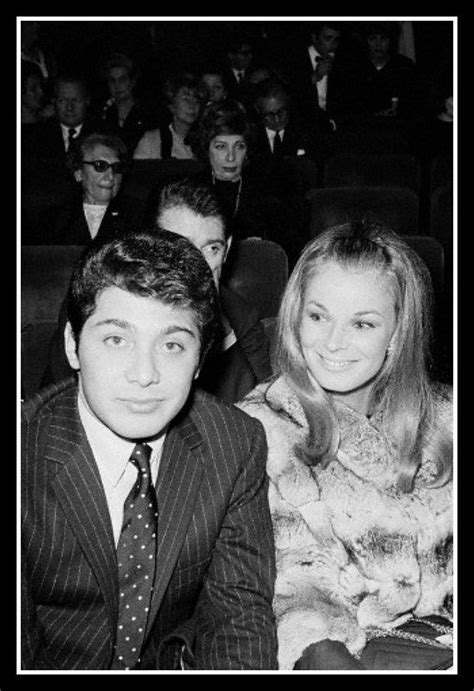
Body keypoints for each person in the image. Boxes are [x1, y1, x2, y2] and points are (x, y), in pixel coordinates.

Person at [22, 229, 278, 670]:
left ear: (200, 361)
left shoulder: (235, 444)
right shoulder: (26, 451)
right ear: (72, 344)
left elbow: (238, 620)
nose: (145, 374)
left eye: (172, 345)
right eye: (116, 340)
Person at [238, 221, 453, 670]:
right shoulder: (260, 432)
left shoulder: (446, 418)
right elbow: (295, 599)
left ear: (397, 333)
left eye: (362, 323)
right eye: (318, 316)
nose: (333, 343)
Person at [192, 98, 303, 265]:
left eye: (239, 146)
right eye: (221, 147)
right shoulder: (191, 193)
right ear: (206, 149)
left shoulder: (269, 190)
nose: (231, 157)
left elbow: (289, 251)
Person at [36, 132, 143, 244]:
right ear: (78, 173)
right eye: (100, 166)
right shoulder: (54, 219)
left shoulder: (138, 215)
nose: (111, 176)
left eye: (117, 167)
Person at [133, 73, 204, 160]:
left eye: (196, 100)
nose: (192, 105)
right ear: (171, 105)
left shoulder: (205, 141)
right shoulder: (151, 141)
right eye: (186, 99)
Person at [100, 52, 153, 154]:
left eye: (122, 80)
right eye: (112, 81)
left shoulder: (147, 114)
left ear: (132, 82)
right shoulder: (103, 116)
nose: (117, 85)